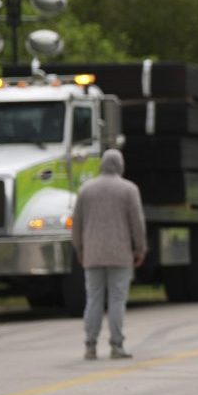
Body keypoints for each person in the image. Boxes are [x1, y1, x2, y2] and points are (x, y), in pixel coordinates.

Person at [71, 149, 147, 361]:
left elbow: (77, 223)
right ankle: (117, 345)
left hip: (92, 254)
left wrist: (79, 248)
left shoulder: (86, 190)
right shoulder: (129, 190)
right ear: (120, 165)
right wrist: (139, 249)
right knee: (116, 300)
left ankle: (90, 345)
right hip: (120, 254)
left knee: (93, 299)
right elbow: (137, 223)